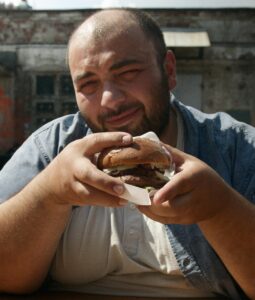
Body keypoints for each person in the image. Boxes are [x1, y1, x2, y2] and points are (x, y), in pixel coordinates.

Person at [0, 8, 254, 299]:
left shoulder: (235, 147)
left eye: (128, 73)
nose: (109, 100)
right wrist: (48, 194)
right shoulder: (50, 149)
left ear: (169, 70)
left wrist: (220, 208)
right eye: (88, 85)